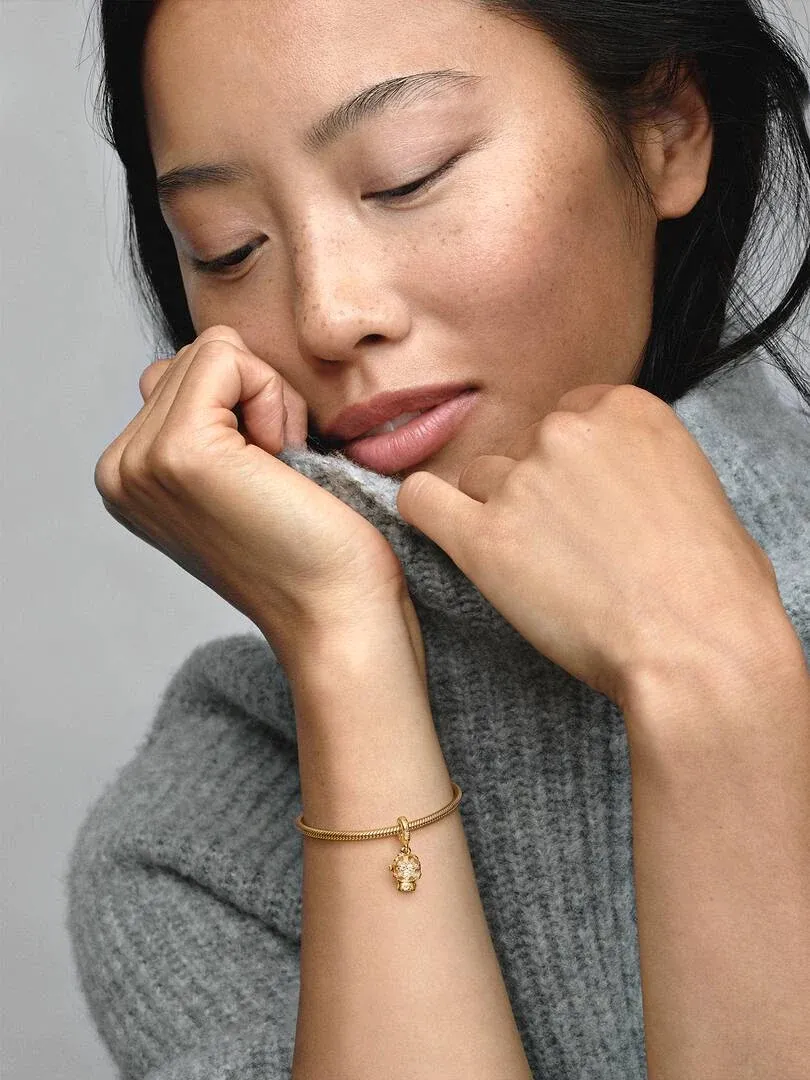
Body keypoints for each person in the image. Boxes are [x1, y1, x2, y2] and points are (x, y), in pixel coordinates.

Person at [67, 1, 810, 1077]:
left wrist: (711, 680)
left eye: (405, 177)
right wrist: (346, 652)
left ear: (668, 129)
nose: (326, 314)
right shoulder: (193, 846)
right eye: (227, 248)